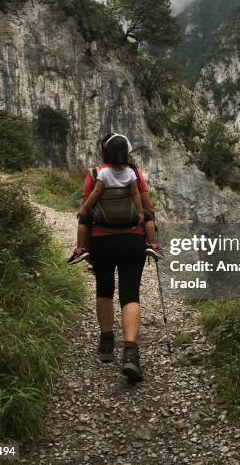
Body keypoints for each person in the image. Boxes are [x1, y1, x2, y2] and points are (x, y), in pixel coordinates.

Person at [72, 133, 158, 381]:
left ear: (104, 151)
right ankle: (130, 351)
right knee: (130, 293)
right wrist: (150, 231)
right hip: (132, 239)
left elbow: (86, 209)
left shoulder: (95, 174)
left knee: (104, 288)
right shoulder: (135, 173)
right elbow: (147, 207)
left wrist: (85, 244)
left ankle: (107, 342)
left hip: (101, 240)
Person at [67, 133, 162, 265]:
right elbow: (137, 196)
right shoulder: (132, 172)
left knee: (84, 218)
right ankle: (153, 245)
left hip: (102, 229)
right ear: (127, 152)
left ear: (106, 152)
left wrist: (84, 208)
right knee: (148, 217)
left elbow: (95, 192)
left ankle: (80, 249)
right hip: (132, 229)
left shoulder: (98, 173)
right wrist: (142, 213)